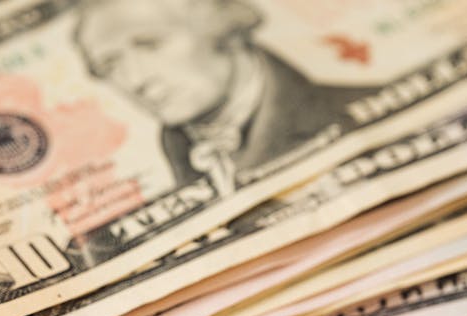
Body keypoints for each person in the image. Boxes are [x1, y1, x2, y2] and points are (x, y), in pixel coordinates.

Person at [75, 0, 367, 195]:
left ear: (221, 27)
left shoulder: (360, 111)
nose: (136, 80)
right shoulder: (168, 175)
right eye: (109, 66)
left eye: (150, 45)